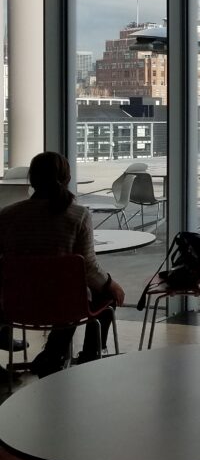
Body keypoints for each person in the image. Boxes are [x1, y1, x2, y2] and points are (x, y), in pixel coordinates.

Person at [0, 152, 126, 377]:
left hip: (17, 305)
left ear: (32, 179)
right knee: (104, 297)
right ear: (67, 178)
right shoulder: (77, 216)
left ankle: (51, 356)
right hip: (64, 305)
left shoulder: (7, 216)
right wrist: (112, 284)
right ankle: (88, 359)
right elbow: (88, 269)